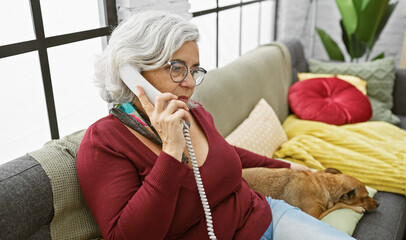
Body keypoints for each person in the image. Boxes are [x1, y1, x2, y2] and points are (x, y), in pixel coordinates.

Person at [76, 10, 354, 240]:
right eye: (176, 68)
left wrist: (288, 166)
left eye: (194, 70)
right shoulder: (104, 140)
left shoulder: (194, 113)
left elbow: (227, 153)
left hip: (266, 214)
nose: (189, 82)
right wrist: (171, 152)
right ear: (132, 72)